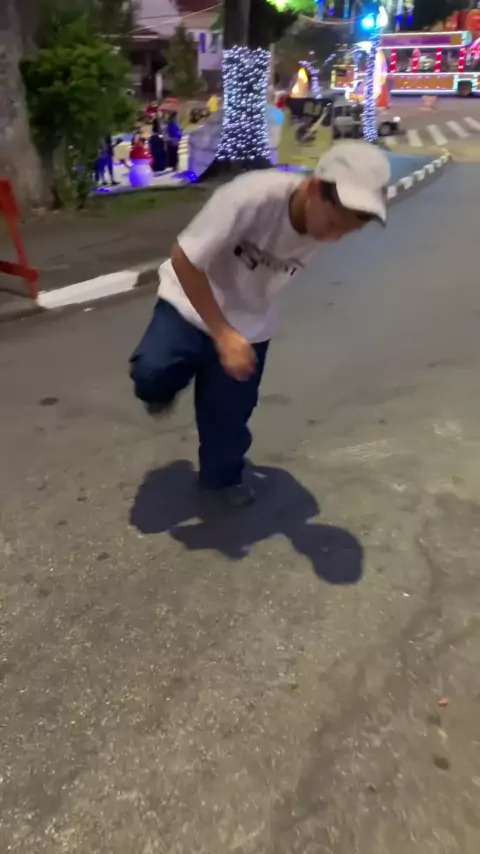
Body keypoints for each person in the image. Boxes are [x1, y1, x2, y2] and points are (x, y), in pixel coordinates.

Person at [129, 141, 390, 508]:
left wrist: (234, 336)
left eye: (346, 232)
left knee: (230, 414)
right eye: (333, 224)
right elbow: (183, 260)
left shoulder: (326, 219)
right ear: (315, 188)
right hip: (188, 302)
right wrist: (222, 334)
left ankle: (221, 479)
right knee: (151, 375)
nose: (333, 237)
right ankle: (163, 386)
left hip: (249, 323)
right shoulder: (250, 197)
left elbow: (323, 231)